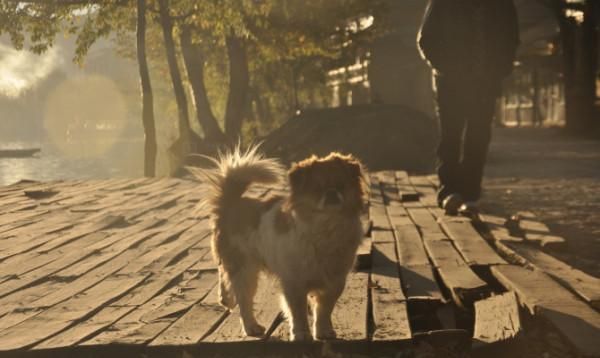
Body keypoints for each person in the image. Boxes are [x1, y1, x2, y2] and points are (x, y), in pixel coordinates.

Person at [417, 0, 520, 215]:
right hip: (451, 84)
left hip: (486, 83)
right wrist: (446, 69)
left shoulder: (501, 5)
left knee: (478, 138)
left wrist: (501, 69)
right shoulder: (443, 4)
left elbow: (511, 38)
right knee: (450, 138)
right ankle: (449, 192)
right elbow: (426, 40)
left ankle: (471, 194)